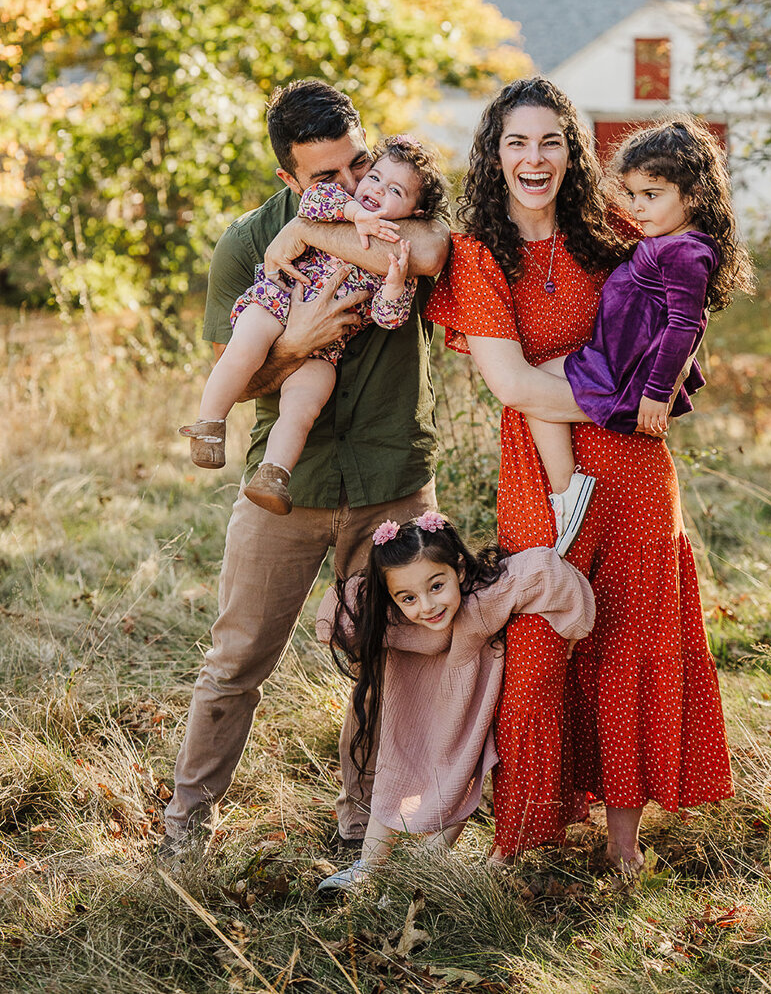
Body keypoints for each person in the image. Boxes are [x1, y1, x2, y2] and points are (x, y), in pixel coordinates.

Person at [426, 77, 736, 873]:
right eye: (516, 143)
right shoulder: (479, 254)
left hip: (634, 473)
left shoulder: (613, 225)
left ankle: (624, 845)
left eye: (550, 141)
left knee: (632, 642)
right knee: (535, 654)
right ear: (494, 156)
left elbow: (683, 307)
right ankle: (518, 838)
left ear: (571, 150)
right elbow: (515, 387)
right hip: (544, 474)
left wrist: (654, 387)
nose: (534, 158)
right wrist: (625, 398)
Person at [162, 79, 450, 853]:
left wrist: (318, 236)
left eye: (356, 161)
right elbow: (233, 374)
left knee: (387, 662)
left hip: (392, 476)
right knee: (235, 658)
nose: (353, 184)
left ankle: (365, 827)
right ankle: (186, 825)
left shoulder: (404, 206)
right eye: (326, 178)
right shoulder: (247, 240)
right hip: (287, 481)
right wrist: (296, 343)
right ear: (288, 180)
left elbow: (429, 253)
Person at [314, 511, 595, 891]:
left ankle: (417, 881)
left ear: (459, 570)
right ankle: (368, 869)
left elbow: (546, 571)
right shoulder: (395, 620)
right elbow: (333, 617)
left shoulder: (481, 602)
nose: (427, 607)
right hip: (412, 714)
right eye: (408, 597)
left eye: (436, 586)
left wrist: (572, 633)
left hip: (463, 720)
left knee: (454, 789)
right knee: (394, 776)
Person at [179, 137, 448, 515]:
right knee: (246, 349)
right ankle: (208, 424)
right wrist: (354, 214)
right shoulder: (339, 206)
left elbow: (390, 317)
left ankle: (274, 473)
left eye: (394, 191)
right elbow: (314, 201)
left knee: (305, 403)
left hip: (327, 349)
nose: (374, 189)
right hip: (276, 300)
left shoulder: (402, 252)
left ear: (414, 213)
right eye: (374, 177)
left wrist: (393, 284)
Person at [525, 116, 754, 555]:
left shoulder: (687, 251)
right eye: (633, 195)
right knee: (533, 382)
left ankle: (565, 493)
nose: (638, 208)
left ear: (695, 195)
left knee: (533, 387)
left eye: (651, 195)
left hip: (624, 374)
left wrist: (656, 391)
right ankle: (566, 491)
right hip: (610, 358)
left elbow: (687, 324)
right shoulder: (666, 238)